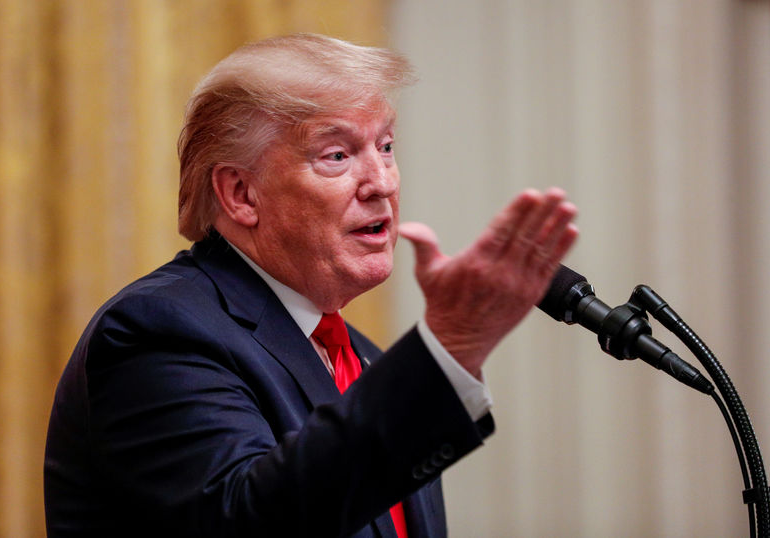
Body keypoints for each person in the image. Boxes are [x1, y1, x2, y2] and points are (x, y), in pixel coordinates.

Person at [44, 33, 577, 537]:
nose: (383, 182)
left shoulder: (364, 359)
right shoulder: (159, 330)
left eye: (386, 145)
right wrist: (452, 345)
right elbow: (250, 522)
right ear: (241, 194)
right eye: (338, 155)